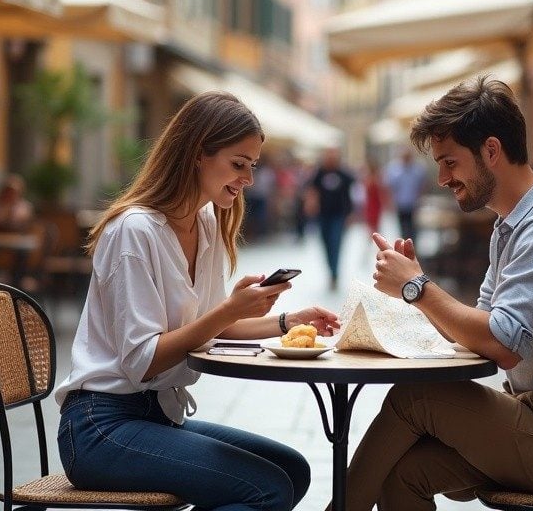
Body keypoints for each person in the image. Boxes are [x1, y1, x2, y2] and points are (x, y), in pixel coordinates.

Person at [340, 76, 533, 510]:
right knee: (402, 475)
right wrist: (412, 291)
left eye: (450, 162)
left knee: (417, 396)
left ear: (491, 151)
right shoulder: (511, 226)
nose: (442, 178)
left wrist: (417, 289)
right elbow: (476, 331)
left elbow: (501, 344)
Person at [55, 92, 339, 510]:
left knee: (293, 471)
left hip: (157, 415)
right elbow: (144, 360)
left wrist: (287, 321)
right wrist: (230, 308)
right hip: (101, 426)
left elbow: (209, 326)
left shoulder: (206, 224)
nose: (248, 180)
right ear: (197, 154)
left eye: (252, 166)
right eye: (238, 164)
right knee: (266, 488)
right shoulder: (135, 232)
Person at [306, 148, 355, 289]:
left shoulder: (344, 174)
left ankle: (334, 272)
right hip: (322, 215)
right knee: (325, 243)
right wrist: (311, 203)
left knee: (336, 243)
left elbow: (351, 195)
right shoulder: (319, 173)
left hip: (339, 215)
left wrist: (351, 213)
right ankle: (331, 270)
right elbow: (311, 189)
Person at [383, 149, 426, 242]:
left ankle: (412, 246)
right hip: (400, 203)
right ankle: (405, 246)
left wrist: (420, 198)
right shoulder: (394, 169)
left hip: (413, 203)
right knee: (402, 227)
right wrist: (390, 201)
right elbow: (389, 187)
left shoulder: (417, 169)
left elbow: (422, 185)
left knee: (413, 228)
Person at [362, 159, 387, 233]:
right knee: (372, 225)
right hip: (371, 204)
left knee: (373, 225)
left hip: (374, 204)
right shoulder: (375, 178)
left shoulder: (374, 178)